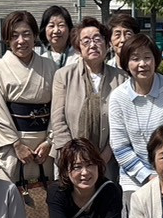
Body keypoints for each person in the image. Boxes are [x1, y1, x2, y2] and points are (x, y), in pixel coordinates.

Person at [0, 10, 57, 218]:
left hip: (44, 147)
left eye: (27, 34)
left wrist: (50, 140)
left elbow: (57, 108)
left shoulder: (49, 66)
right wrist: (15, 145)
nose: (21, 40)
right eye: (14, 35)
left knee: (43, 203)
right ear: (6, 39)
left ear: (36, 36)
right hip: (13, 147)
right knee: (14, 206)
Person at [108, 33, 163, 201]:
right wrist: (148, 177)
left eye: (147, 57)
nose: (142, 64)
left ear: (156, 60)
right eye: (135, 58)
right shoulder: (118, 97)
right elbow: (120, 147)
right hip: (133, 180)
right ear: (127, 64)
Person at [50, 17, 127, 177]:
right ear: (78, 49)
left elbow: (123, 122)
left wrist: (107, 153)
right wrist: (73, 155)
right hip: (70, 158)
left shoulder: (121, 78)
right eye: (86, 41)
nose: (93, 45)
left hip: (109, 159)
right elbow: (58, 119)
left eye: (98, 39)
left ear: (107, 44)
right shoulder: (63, 76)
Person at [36, 4, 74, 70]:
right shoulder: (40, 61)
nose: (56, 31)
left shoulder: (79, 57)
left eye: (61, 25)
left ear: (69, 29)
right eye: (51, 26)